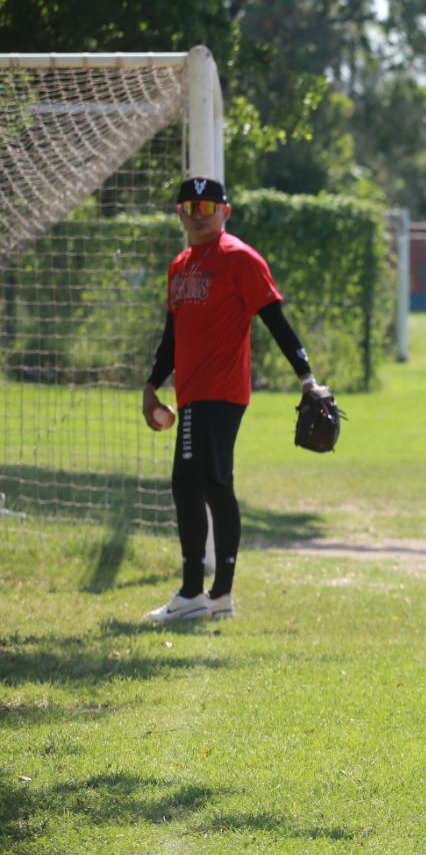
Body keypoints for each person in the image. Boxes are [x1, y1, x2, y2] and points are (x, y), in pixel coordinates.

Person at [142, 177, 325, 625]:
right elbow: (172, 337)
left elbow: (274, 320)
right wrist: (151, 385)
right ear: (180, 213)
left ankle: (192, 593)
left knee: (188, 484)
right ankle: (219, 595)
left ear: (226, 211)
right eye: (190, 205)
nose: (198, 213)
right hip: (192, 394)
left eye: (208, 205)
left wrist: (307, 378)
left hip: (219, 393)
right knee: (214, 485)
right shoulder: (180, 264)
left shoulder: (239, 258)